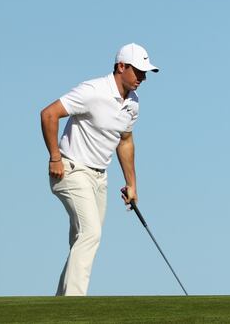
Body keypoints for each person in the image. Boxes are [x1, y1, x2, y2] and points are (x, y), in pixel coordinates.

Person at [40, 43, 159, 296]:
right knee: (91, 233)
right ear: (121, 67)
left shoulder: (133, 103)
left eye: (145, 73)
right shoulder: (93, 91)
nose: (143, 78)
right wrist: (54, 158)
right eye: (138, 71)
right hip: (70, 170)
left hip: (99, 177)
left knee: (82, 240)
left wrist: (132, 184)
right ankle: (73, 306)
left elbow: (125, 141)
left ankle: (58, 305)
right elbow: (49, 114)